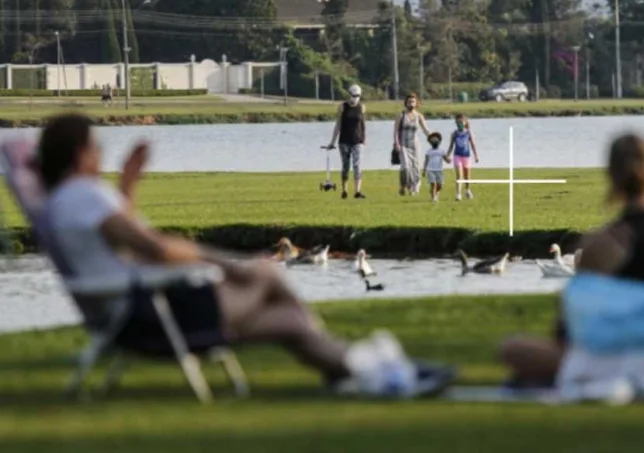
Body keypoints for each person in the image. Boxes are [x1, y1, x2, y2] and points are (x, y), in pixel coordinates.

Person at [37, 113, 453, 397]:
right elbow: (151, 247)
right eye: (95, 147)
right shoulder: (84, 196)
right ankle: (368, 371)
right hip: (153, 314)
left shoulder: (69, 201)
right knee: (266, 275)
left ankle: (354, 373)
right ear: (80, 154)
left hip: (142, 311)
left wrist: (127, 188)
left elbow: (119, 245)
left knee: (291, 321)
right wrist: (222, 263)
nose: (99, 154)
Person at [500, 134, 644, 394]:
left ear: (612, 176)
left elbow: (568, 329)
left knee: (513, 349)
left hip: (632, 361)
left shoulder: (605, 242)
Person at [326, 84, 367, 199]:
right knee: (345, 165)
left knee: (357, 165)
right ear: (349, 94)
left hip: (357, 140)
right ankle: (344, 190)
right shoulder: (342, 107)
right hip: (344, 140)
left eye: (357, 95)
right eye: (353, 95)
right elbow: (338, 124)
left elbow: (363, 124)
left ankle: (357, 191)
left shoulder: (362, 107)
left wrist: (364, 139)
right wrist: (332, 142)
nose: (355, 98)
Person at [393, 93, 431, 196]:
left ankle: (414, 188)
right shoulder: (401, 115)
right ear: (406, 103)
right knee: (405, 167)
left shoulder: (419, 116)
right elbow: (396, 131)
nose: (411, 104)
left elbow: (425, 130)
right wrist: (397, 143)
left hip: (415, 145)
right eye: (409, 102)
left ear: (416, 103)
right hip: (403, 145)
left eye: (413, 102)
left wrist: (432, 137)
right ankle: (405, 186)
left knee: (416, 167)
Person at [445, 114, 479, 201]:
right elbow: (451, 145)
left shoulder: (468, 132)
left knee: (467, 176)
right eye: (457, 122)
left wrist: (476, 155)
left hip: (466, 157)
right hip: (457, 156)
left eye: (461, 122)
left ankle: (467, 190)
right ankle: (458, 194)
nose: (459, 124)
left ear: (465, 122)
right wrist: (447, 155)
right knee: (459, 175)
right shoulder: (454, 133)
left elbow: (473, 144)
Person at [422, 132, 449, 203]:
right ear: (430, 142)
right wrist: (424, 170)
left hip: (439, 170)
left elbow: (446, 159)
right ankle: (434, 198)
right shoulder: (429, 151)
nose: (434, 141)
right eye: (432, 140)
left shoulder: (441, 151)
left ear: (439, 141)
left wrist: (448, 159)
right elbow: (426, 161)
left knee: (440, 185)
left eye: (436, 140)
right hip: (430, 170)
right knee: (433, 183)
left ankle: (434, 192)